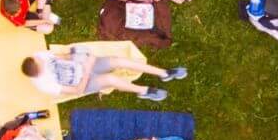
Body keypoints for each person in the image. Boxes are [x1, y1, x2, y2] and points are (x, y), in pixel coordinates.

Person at [23, 45, 185, 103]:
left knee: (117, 61)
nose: (42, 59)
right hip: (83, 82)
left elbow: (61, 57)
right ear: (40, 72)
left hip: (82, 66)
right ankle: (145, 92)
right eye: (41, 63)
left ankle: (164, 73)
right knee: (110, 79)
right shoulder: (45, 84)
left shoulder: (38, 56)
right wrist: (86, 72)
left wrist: (84, 59)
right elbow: (77, 91)